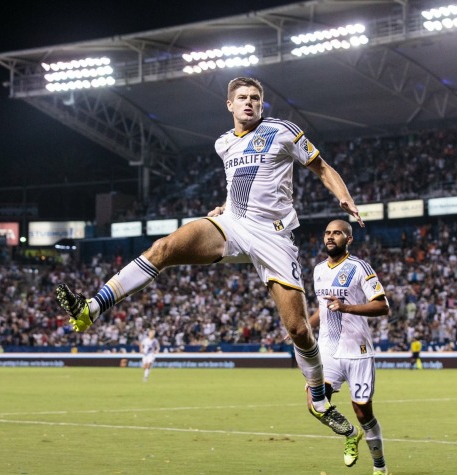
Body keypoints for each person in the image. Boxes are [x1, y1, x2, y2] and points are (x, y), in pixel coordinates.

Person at [56, 77, 363, 435]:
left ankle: (319, 398)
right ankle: (90, 309)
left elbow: (322, 167)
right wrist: (224, 207)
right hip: (230, 224)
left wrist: (344, 197)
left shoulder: (283, 131)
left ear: (262, 104)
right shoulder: (223, 144)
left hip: (273, 237)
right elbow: (241, 184)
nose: (249, 103)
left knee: (297, 329)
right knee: (164, 248)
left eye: (256, 99)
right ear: (229, 105)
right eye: (242, 98)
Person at [306, 219, 390, 475]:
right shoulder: (318, 269)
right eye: (327, 233)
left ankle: (380, 466)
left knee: (363, 412)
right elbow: (323, 307)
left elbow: (382, 306)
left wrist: (346, 307)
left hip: (357, 352)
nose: (330, 237)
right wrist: (304, 325)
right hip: (328, 351)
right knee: (315, 403)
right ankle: (350, 434)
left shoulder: (360, 267)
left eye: (337, 233)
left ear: (349, 239)